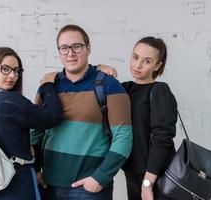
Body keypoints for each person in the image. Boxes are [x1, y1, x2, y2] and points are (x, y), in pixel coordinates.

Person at [31, 24, 133, 200]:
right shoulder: (48, 86)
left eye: (77, 46)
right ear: (59, 51)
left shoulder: (109, 85)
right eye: (64, 48)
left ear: (88, 48)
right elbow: (35, 134)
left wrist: (100, 178)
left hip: (88, 189)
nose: (71, 53)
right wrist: (35, 171)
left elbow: (123, 137)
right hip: (48, 185)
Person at [0, 47, 63, 200]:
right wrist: (47, 86)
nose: (13, 76)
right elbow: (53, 117)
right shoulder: (9, 101)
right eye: (5, 69)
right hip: (17, 183)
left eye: (17, 70)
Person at [99, 36, 177, 200]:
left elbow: (163, 138)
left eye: (147, 61)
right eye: (135, 57)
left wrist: (148, 183)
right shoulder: (126, 88)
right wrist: (99, 68)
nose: (138, 65)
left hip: (156, 177)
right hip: (133, 173)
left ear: (157, 65)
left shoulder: (159, 90)